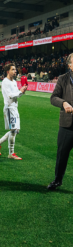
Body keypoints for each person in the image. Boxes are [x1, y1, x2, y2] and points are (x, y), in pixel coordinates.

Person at [48, 53, 73, 190]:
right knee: (62, 154)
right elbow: (53, 98)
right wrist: (64, 103)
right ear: (70, 65)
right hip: (67, 125)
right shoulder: (63, 79)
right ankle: (58, 180)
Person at [0, 63, 27, 160]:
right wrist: (20, 91)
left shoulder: (14, 82)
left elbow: (17, 95)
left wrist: (22, 91)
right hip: (9, 108)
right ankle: (11, 153)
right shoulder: (5, 82)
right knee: (13, 130)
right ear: (8, 71)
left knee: (16, 130)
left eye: (15, 69)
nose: (15, 71)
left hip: (14, 108)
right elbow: (10, 95)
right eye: (13, 69)